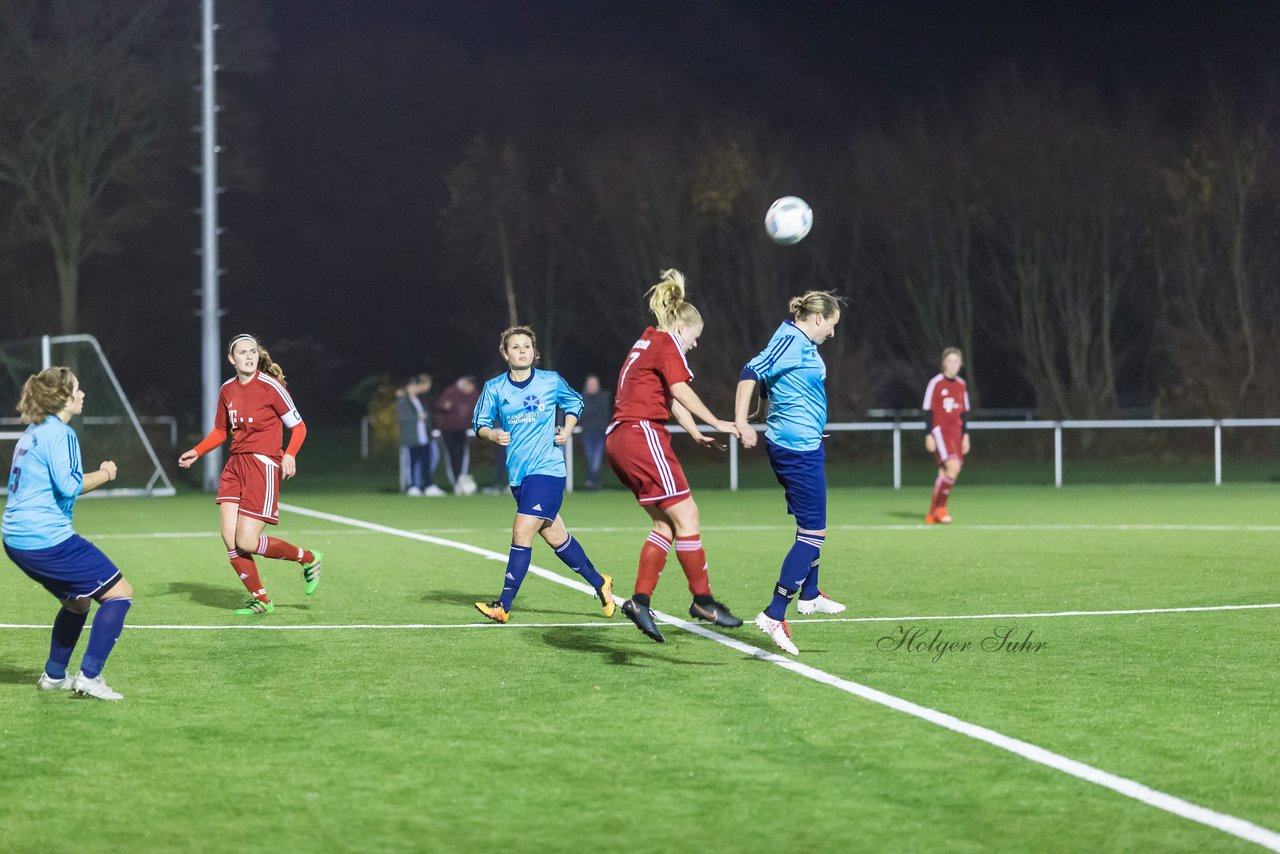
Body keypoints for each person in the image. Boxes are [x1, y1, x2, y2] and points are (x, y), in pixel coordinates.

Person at [605, 268, 743, 643]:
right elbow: (679, 390)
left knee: (666, 525)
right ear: (682, 328)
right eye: (695, 338)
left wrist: (696, 432)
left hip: (620, 439)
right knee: (689, 513)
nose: (695, 345)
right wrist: (716, 420)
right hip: (641, 433)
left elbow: (666, 394)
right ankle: (703, 600)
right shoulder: (668, 344)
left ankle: (639, 601)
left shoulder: (647, 340)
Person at [2, 367, 132, 700]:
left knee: (77, 603)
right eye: (78, 388)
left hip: (17, 539)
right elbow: (70, 486)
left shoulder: (35, 429)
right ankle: (90, 677)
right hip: (43, 539)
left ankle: (55, 676)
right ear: (64, 396)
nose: (83, 393)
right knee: (119, 593)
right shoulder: (60, 433)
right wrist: (105, 473)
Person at [471, 326, 615, 622]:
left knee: (521, 532)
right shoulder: (495, 388)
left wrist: (568, 428)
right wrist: (492, 434)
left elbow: (575, 403)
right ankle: (601, 583)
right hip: (519, 476)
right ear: (505, 353)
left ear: (534, 353)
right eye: (515, 346)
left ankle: (504, 605)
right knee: (556, 538)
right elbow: (479, 422)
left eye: (526, 346)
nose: (521, 351)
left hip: (547, 470)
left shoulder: (550, 381)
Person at [735, 291, 847, 656]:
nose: (831, 334)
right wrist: (740, 419)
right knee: (814, 532)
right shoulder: (791, 341)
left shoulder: (796, 339)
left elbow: (769, 380)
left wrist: (764, 408)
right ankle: (774, 613)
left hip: (805, 445)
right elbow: (751, 371)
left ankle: (810, 595)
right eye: (830, 326)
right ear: (818, 319)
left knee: (809, 525)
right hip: (796, 451)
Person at [178, 334, 323, 615]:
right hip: (235, 467)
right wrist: (197, 451)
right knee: (229, 539)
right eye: (242, 353)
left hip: (262, 466)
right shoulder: (227, 390)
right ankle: (262, 599)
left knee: (246, 541)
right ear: (232, 359)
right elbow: (222, 431)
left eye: (253, 352)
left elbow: (299, 427)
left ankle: (308, 558)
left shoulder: (271, 387)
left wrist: (289, 454)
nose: (249, 356)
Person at [923, 347, 971, 525]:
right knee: (954, 468)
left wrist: (965, 435)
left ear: (960, 364)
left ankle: (932, 512)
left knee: (944, 473)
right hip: (940, 431)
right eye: (950, 361)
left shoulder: (961, 384)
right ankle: (941, 508)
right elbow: (927, 410)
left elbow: (964, 413)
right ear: (944, 363)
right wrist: (928, 434)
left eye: (956, 361)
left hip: (956, 432)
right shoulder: (935, 383)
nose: (953, 365)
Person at [396, 373, 444, 496]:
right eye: (411, 386)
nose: (414, 389)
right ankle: (413, 486)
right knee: (412, 463)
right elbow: (402, 417)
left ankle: (428, 485)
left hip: (424, 437)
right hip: (412, 438)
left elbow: (427, 417)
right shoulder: (402, 401)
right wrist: (417, 417)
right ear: (407, 387)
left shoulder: (420, 400)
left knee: (426, 462)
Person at [434, 375, 479, 494]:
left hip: (463, 430)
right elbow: (439, 405)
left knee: (462, 455)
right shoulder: (450, 392)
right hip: (448, 430)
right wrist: (444, 406)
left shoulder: (473, 395)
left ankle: (463, 479)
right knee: (451, 455)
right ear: (465, 384)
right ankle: (455, 482)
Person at [577, 374, 612, 490]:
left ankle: (591, 482)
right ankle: (593, 482)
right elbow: (582, 415)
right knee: (590, 457)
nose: (592, 386)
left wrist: (590, 412)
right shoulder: (582, 398)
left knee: (596, 459)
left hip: (600, 432)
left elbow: (604, 414)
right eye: (590, 384)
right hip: (587, 432)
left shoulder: (604, 396)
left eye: (594, 384)